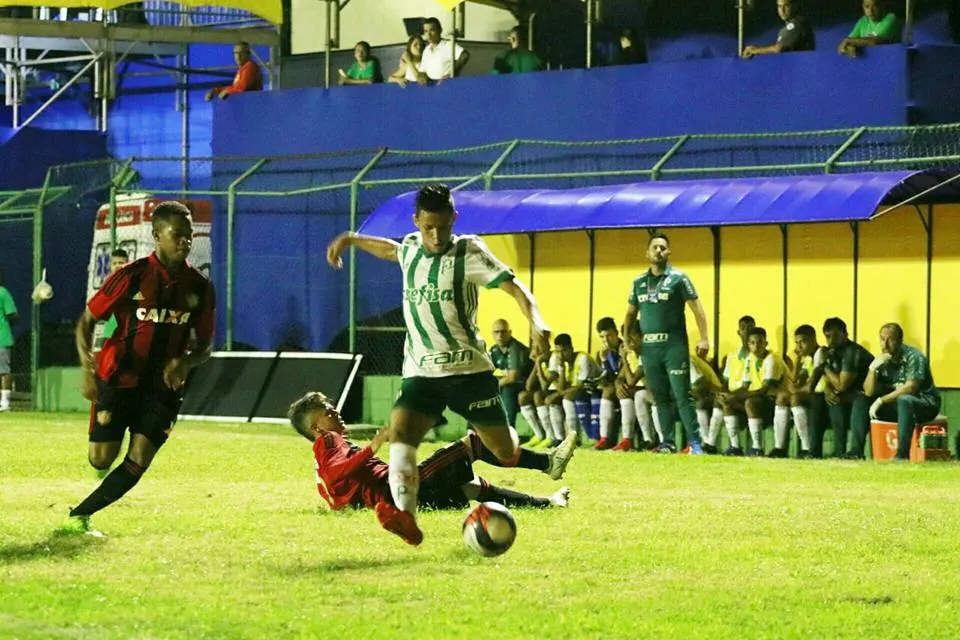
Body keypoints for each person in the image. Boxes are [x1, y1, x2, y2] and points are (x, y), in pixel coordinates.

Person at [325, 183, 576, 546]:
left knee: (505, 450)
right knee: (402, 434)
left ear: (454, 219)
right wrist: (352, 238)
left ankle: (542, 463)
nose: (437, 235)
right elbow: (390, 251)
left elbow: (516, 288)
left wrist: (536, 321)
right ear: (416, 222)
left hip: (468, 373)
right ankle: (406, 519)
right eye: (428, 227)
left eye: (443, 226)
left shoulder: (469, 251)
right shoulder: (410, 248)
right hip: (422, 373)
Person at [60, 202, 215, 535]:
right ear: (157, 235)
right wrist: (87, 369)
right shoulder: (131, 276)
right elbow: (86, 322)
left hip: (164, 387)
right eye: (177, 235)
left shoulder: (200, 288)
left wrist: (185, 360)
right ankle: (100, 471)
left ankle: (79, 515)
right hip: (119, 377)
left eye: (188, 236)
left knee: (140, 458)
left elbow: (205, 346)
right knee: (100, 459)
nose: (185, 242)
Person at [288, 391, 569, 525]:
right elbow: (338, 473)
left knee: (470, 486)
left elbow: (336, 488)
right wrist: (375, 444)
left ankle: (548, 504)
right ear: (316, 428)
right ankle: (547, 463)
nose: (336, 412)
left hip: (399, 501)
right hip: (402, 489)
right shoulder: (328, 440)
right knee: (473, 442)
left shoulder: (323, 452)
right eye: (328, 412)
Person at [623, 232, 710, 454]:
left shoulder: (679, 278)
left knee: (682, 394)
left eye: (663, 247)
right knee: (659, 396)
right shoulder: (638, 282)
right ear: (647, 253)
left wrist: (704, 338)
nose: (659, 251)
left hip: (674, 346)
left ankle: (695, 443)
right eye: (655, 247)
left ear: (668, 252)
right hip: (650, 348)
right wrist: (625, 340)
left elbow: (697, 310)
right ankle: (668, 443)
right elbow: (630, 315)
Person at [851, 323, 940, 461]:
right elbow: (868, 392)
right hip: (899, 407)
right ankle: (856, 453)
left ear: (900, 340)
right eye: (882, 339)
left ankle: (902, 455)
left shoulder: (914, 357)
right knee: (861, 400)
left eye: (890, 340)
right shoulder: (883, 360)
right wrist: (872, 368)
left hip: (925, 404)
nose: (885, 345)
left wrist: (881, 400)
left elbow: (911, 388)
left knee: (905, 399)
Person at [811, 317, 873, 458]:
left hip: (865, 394)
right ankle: (814, 451)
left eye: (836, 336)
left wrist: (824, 366)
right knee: (818, 399)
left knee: (837, 399)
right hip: (846, 395)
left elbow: (842, 385)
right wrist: (827, 390)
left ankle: (850, 452)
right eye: (828, 337)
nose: (831, 340)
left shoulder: (852, 352)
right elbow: (816, 384)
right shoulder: (831, 352)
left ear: (846, 334)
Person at [786, 324, 827, 458]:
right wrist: (797, 360)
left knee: (795, 398)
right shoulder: (807, 358)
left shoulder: (820, 353)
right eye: (797, 343)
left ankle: (807, 447)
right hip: (814, 396)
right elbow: (796, 381)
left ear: (813, 339)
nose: (799, 346)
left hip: (825, 397)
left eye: (803, 342)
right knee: (785, 398)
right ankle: (799, 448)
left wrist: (796, 390)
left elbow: (809, 387)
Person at [489, 318, 530, 430]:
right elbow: (488, 373)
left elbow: (513, 377)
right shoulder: (494, 350)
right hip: (505, 384)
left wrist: (493, 386)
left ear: (509, 333)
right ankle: (474, 431)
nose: (500, 335)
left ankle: (509, 429)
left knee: (507, 389)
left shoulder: (515, 348)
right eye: (496, 332)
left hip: (525, 386)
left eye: (503, 332)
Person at [742, 0, 816, 59]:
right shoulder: (790, 25)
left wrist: (755, 50)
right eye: (779, 6)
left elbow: (779, 49)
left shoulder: (797, 24)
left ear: (795, 6)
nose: (782, 10)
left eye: (786, 6)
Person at [593, 317, 623, 450]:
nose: (606, 340)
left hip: (630, 386)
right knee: (606, 390)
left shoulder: (626, 348)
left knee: (610, 390)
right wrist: (604, 360)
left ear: (616, 333)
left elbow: (623, 375)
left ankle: (610, 438)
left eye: (609, 335)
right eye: (602, 337)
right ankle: (603, 438)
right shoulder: (601, 354)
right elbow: (606, 379)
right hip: (614, 389)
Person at [93, 248, 130, 353]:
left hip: (126, 319)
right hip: (112, 319)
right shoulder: (108, 282)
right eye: (114, 263)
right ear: (110, 266)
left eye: (121, 263)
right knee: (104, 336)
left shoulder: (131, 280)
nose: (117, 266)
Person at [420, 17, 470, 81]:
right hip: (431, 86)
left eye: (432, 30)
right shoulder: (426, 50)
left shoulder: (448, 45)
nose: (428, 34)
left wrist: (452, 72)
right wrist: (421, 76)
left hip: (446, 85)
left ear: (440, 30)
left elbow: (465, 55)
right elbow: (422, 71)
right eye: (426, 31)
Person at [0, 269, 18, 412]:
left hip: (2, 338)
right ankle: (4, 403)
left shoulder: (3, 293)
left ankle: (5, 403)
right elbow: (13, 315)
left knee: (4, 370)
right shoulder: (3, 292)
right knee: (4, 370)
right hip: (3, 336)